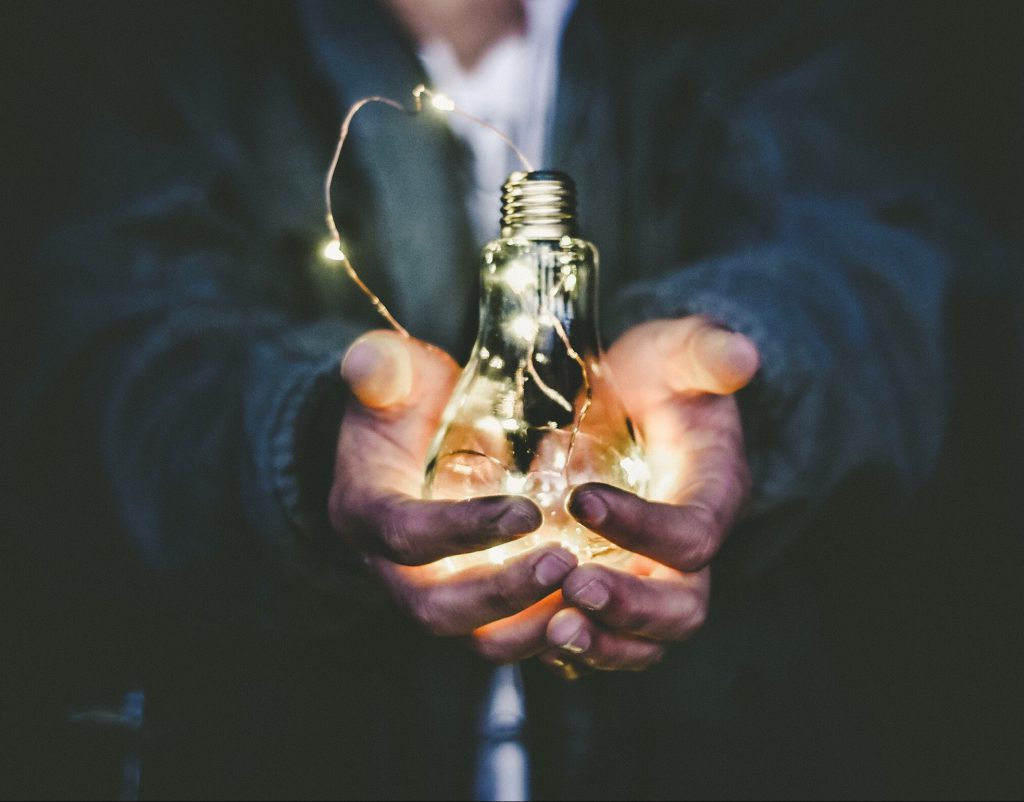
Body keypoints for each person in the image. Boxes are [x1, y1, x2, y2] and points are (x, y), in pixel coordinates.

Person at [5, 0, 1019, 798]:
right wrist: (312, 440)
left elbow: (901, 267)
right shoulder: (181, 49)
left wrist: (747, 375)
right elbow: (92, 350)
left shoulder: (753, 31)